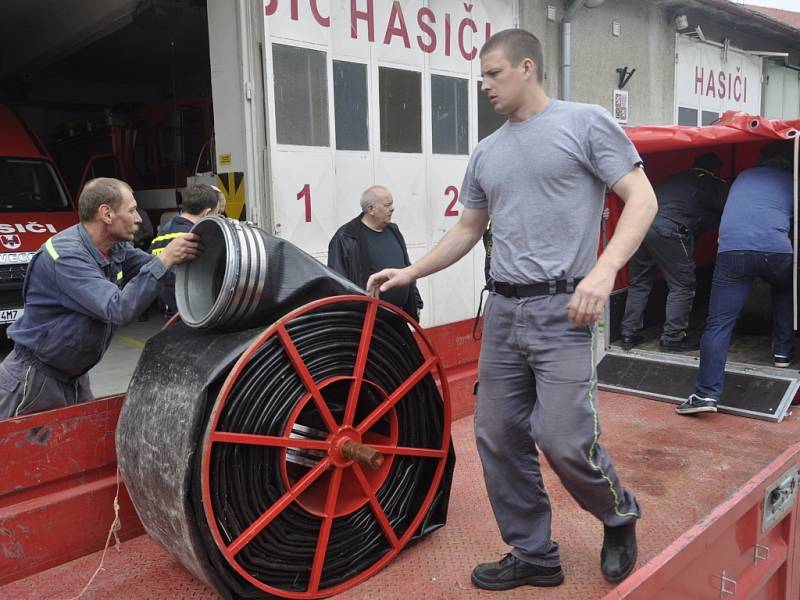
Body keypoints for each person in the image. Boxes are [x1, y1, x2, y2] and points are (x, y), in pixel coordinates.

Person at [368, 29, 657, 589]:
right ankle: (534, 554)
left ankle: (618, 514)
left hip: (565, 308)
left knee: (564, 438)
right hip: (503, 311)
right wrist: (410, 271)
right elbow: (468, 229)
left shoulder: (586, 123)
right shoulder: (488, 151)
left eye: (493, 74)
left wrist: (603, 272)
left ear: (527, 67)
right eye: (481, 77)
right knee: (498, 437)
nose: (484, 87)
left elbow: (642, 199)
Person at [0, 177, 201, 419]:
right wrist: (166, 258)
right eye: (132, 210)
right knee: (24, 455)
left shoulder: (115, 248)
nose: (139, 218)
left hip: (73, 376)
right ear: (106, 214)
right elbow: (119, 308)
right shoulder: (66, 256)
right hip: (33, 380)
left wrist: (201, 263)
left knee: (79, 449)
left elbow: (160, 272)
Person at [677, 141, 794, 415]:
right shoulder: (792, 179)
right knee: (785, 292)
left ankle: (705, 395)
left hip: (732, 251)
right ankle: (783, 354)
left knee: (718, 323)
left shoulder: (742, 176)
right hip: (777, 250)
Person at [620, 153, 727, 351]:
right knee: (683, 285)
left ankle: (628, 333)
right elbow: (725, 206)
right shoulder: (709, 182)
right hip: (669, 229)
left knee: (640, 283)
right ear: (715, 170)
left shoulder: (674, 178)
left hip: (639, 227)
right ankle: (673, 337)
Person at [327, 185, 423, 319]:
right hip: (369, 323)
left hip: (399, 318)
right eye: (387, 205)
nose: (392, 208)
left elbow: (407, 268)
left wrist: (416, 303)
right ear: (371, 209)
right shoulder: (346, 237)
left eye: (392, 204)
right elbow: (337, 285)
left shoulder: (393, 231)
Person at [149, 184, 224, 316]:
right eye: (217, 213)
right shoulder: (199, 238)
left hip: (169, 311)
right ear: (207, 213)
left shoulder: (162, 234)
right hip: (194, 313)